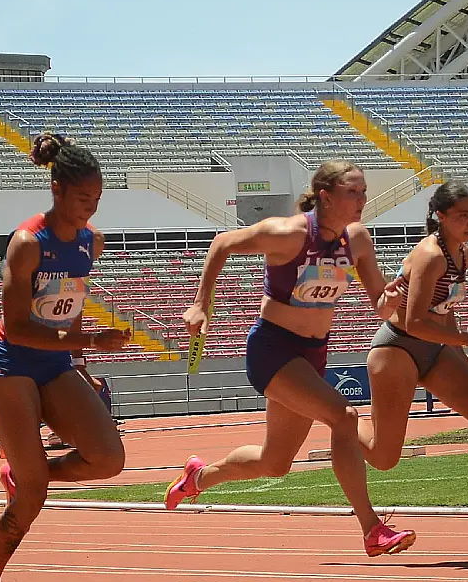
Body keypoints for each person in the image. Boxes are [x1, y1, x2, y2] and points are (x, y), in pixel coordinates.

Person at [164, 160, 417, 557]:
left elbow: (379, 307)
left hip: (312, 354)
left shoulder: (358, 240)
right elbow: (222, 243)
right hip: (273, 350)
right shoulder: (289, 233)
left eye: (364, 192)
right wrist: (201, 304)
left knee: (275, 461)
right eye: (353, 192)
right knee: (343, 415)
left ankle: (198, 477)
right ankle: (372, 528)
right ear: (326, 196)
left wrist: (389, 299)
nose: (362, 200)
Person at [0, 133, 132, 582]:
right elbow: (19, 329)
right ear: (57, 189)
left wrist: (81, 356)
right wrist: (85, 345)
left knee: (109, 458)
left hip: (58, 361)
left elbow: (73, 306)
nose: (90, 209)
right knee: (36, 494)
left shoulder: (91, 243)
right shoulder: (27, 245)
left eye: (97, 200)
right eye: (83, 198)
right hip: (12, 364)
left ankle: (25, 475)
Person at [360, 182, 468, 550]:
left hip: (437, 350)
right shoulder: (430, 256)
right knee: (384, 457)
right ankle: (343, 421)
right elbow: (413, 322)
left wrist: (458, 350)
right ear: (440, 217)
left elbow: (446, 309)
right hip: (399, 349)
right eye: (461, 215)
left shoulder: (463, 256)